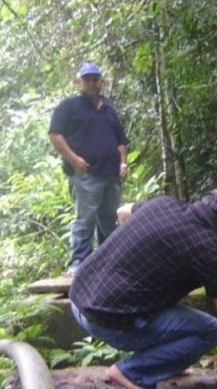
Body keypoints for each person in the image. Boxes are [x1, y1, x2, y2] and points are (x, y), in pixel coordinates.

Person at [69, 185, 217, 389]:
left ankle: (168, 363)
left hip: (77, 296)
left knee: (171, 307)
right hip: (105, 320)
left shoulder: (163, 204)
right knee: (209, 330)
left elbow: (122, 212)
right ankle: (133, 372)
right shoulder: (209, 251)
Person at [49, 62, 129, 276]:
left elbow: (120, 140)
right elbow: (55, 134)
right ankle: (79, 262)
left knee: (109, 221)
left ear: (101, 81)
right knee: (85, 219)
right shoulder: (69, 107)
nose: (92, 83)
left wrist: (123, 161)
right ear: (80, 82)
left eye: (95, 79)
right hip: (86, 174)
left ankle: (108, 262)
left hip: (111, 175)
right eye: (88, 79)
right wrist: (73, 159)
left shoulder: (108, 108)